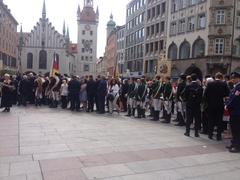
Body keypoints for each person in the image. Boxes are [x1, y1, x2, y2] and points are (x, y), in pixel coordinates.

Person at [204, 73, 229, 141]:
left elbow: (205, 94)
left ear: (215, 77)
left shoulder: (210, 84)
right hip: (220, 105)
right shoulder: (224, 84)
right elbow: (227, 94)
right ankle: (218, 136)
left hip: (211, 105)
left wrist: (208, 102)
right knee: (219, 120)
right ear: (221, 77)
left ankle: (210, 134)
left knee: (211, 119)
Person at [226, 72, 240, 153]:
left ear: (238, 78)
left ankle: (237, 146)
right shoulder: (236, 87)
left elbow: (235, 99)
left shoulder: (239, 87)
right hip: (233, 112)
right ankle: (233, 143)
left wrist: (227, 106)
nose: (233, 79)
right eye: (232, 78)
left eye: (234, 78)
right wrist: (226, 104)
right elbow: (230, 97)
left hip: (237, 112)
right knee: (233, 129)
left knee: (236, 130)